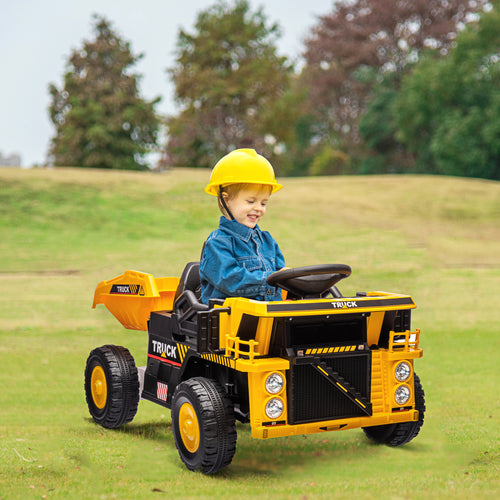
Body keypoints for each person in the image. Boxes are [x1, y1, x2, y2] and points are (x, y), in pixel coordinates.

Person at [199, 148, 286, 304]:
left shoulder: (268, 241)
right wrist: (270, 279)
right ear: (224, 200)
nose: (259, 208)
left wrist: (295, 281)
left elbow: (282, 277)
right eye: (251, 201)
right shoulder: (218, 243)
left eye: (264, 203)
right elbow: (230, 279)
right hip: (228, 323)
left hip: (269, 320)